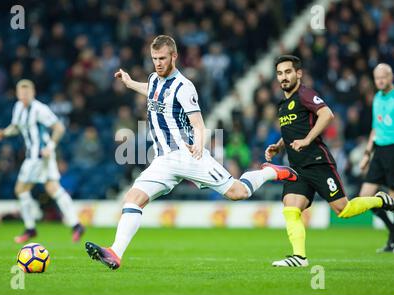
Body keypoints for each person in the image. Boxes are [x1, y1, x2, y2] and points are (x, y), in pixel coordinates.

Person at [85, 35, 299, 270]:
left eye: (162, 58)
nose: (158, 63)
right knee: (133, 199)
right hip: (163, 160)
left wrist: (198, 144)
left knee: (237, 192)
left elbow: (198, 123)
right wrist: (130, 83)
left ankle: (269, 172)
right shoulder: (154, 79)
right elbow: (153, 90)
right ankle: (115, 253)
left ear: (174, 56)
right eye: (154, 58)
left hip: (188, 155)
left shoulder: (184, 87)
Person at [265, 55, 394, 267]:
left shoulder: (305, 94)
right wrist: (280, 145)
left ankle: (379, 200)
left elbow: (327, 114)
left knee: (344, 210)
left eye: (288, 72)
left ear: (298, 73)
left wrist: (307, 140)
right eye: (279, 73)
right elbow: (294, 128)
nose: (283, 77)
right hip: (297, 167)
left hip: (317, 162)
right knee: (290, 207)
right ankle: (299, 257)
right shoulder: (283, 104)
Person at [0, 79, 84, 243]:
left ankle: (30, 228)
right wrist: (4, 133)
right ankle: (76, 224)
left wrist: (50, 146)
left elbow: (59, 128)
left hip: (39, 155)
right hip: (38, 156)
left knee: (21, 189)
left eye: (27, 92)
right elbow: (16, 127)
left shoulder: (40, 109)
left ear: (33, 93)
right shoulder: (18, 107)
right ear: (17, 93)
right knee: (53, 188)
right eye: (21, 92)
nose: (24, 95)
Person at [359, 63, 394, 253]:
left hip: (393, 150)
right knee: (365, 197)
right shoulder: (377, 98)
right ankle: (392, 229)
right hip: (379, 151)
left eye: (383, 76)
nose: (380, 80)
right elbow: (375, 128)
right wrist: (367, 154)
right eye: (377, 77)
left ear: (391, 77)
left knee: (393, 200)